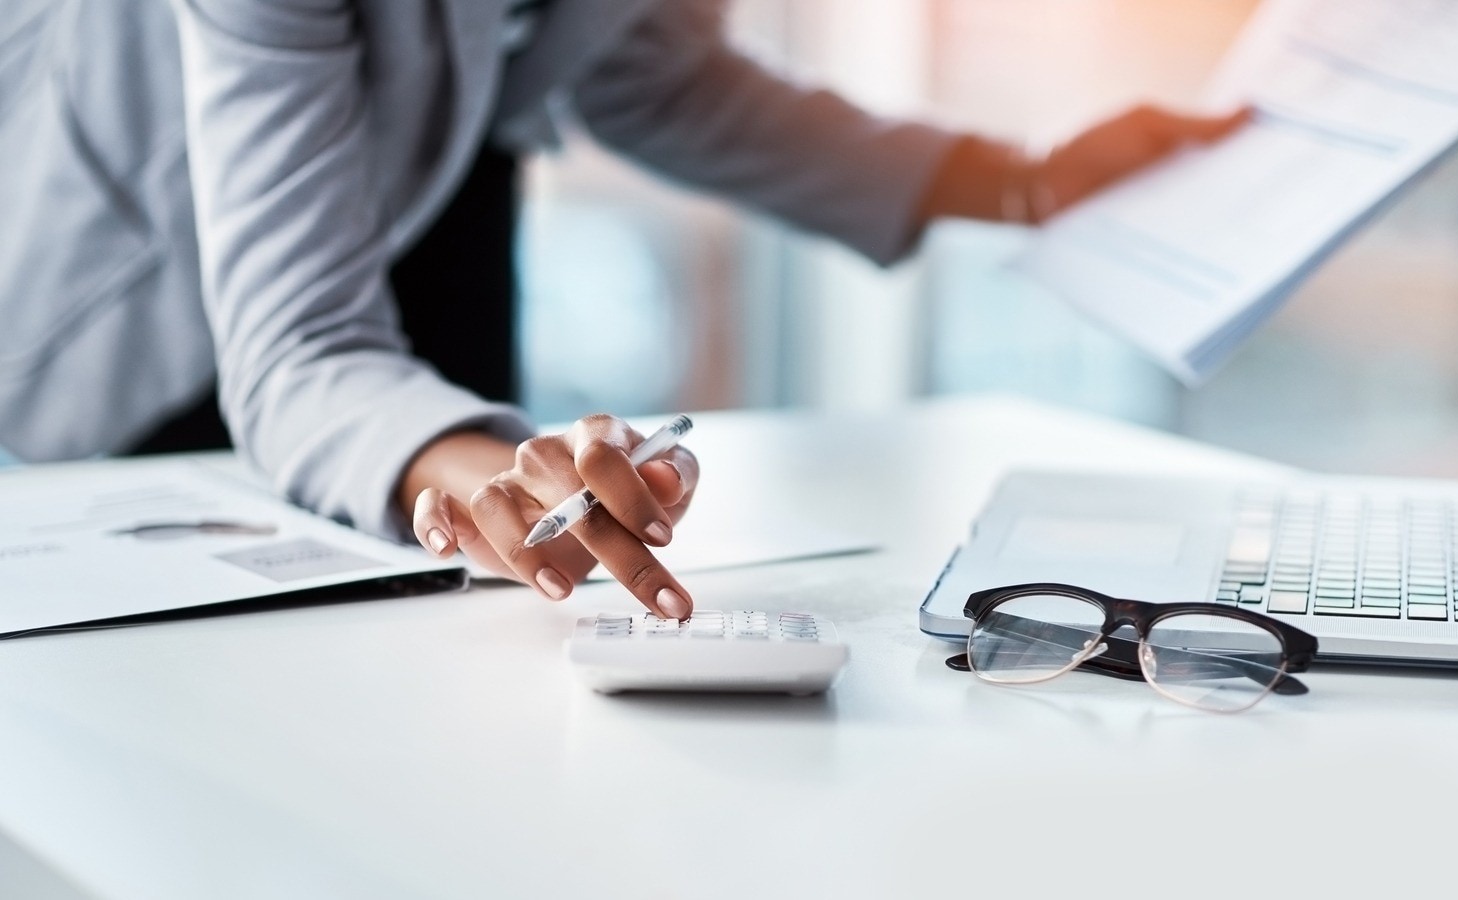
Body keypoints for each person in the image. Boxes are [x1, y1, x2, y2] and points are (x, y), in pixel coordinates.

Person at [0, 0, 1246, 619]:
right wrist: (513, 470)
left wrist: (1014, 178)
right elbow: (301, 351)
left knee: (465, 606)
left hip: (433, 169)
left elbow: (654, 70)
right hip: (117, 294)